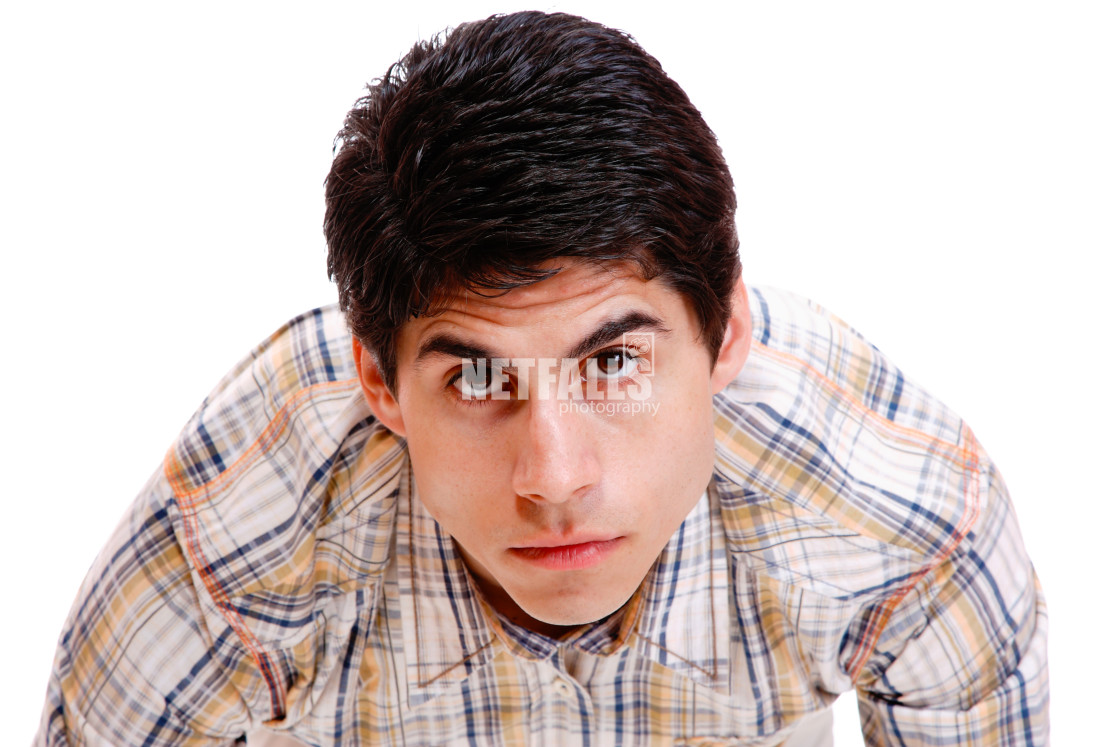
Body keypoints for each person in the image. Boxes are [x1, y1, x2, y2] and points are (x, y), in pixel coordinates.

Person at [36, 11, 1048, 746]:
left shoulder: (901, 529)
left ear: (725, 335)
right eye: (476, 381)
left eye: (613, 362)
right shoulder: (238, 544)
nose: (553, 477)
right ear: (380, 386)